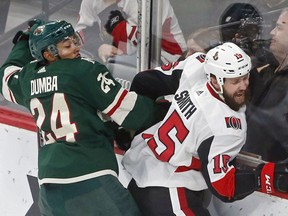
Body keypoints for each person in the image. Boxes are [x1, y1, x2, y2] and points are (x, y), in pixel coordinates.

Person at [0, 19, 165, 215]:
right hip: (91, 180)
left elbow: (5, 77)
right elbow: (132, 113)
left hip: (49, 189)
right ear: (49, 54)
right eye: (67, 46)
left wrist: (25, 40)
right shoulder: (84, 69)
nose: (76, 48)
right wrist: (165, 109)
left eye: (75, 41)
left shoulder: (28, 77)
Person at [122, 42, 288, 215]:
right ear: (215, 81)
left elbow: (144, 81)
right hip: (169, 187)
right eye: (235, 81)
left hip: (141, 163)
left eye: (245, 77)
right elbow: (224, 187)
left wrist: (135, 124)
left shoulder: (196, 65)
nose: (244, 86)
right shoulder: (224, 126)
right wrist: (263, 177)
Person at [76, 0, 187, 64]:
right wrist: (99, 46)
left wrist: (108, 6)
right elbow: (81, 33)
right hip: (126, 63)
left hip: (168, 61)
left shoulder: (147, 2)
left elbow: (128, 47)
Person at [243, 7, 288, 162]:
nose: (272, 33)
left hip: (273, 176)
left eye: (279, 28)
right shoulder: (266, 72)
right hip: (248, 167)